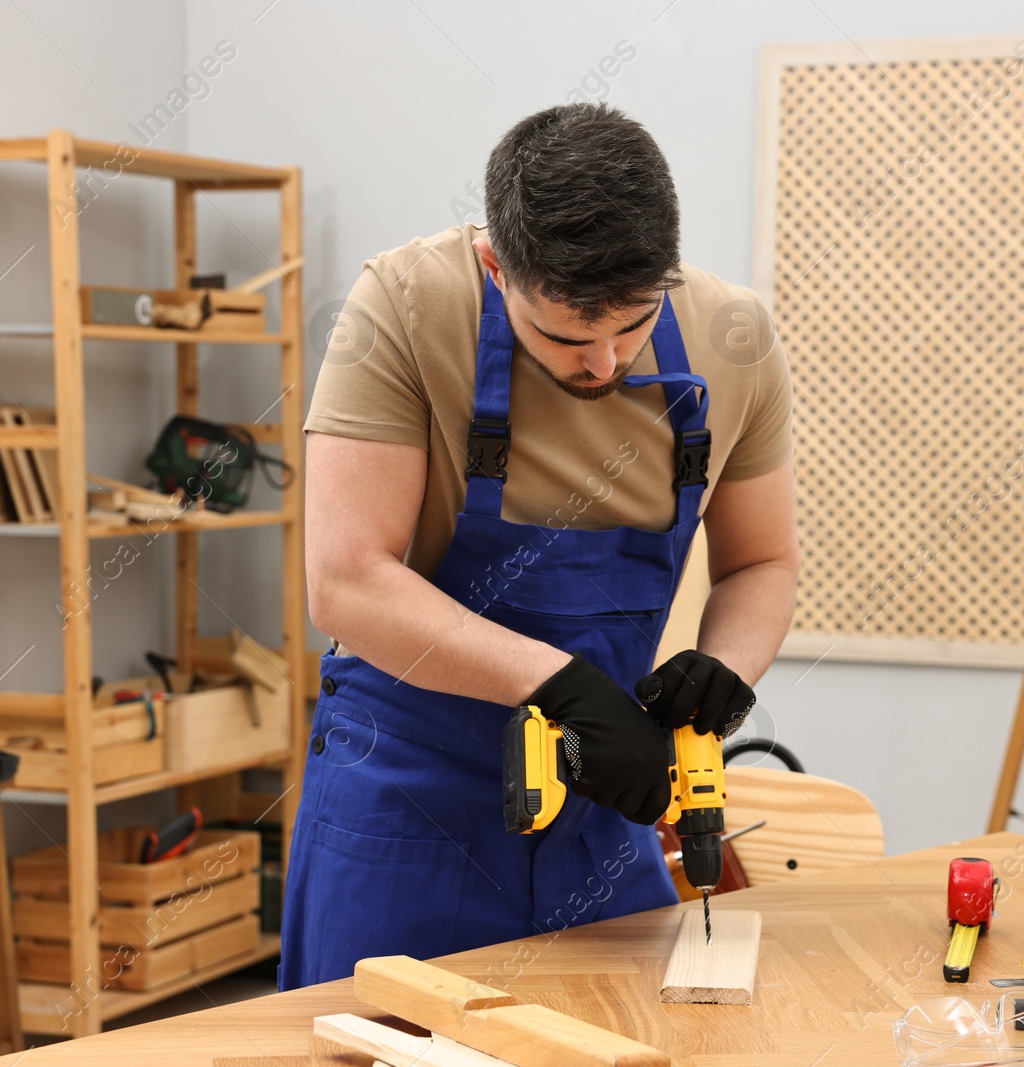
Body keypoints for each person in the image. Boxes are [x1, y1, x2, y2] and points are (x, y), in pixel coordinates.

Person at [280, 102, 798, 990]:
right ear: (495, 265)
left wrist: (726, 670)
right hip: (408, 804)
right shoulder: (407, 306)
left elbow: (763, 562)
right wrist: (555, 684)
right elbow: (346, 582)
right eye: (567, 334)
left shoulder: (733, 338)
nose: (604, 363)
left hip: (604, 809)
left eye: (632, 324)